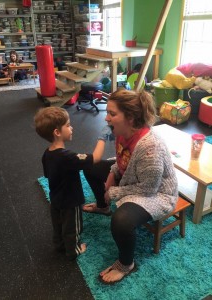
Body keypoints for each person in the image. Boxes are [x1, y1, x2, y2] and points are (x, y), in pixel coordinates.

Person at [82, 89, 178, 284]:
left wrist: (114, 191)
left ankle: (126, 264)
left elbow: (148, 188)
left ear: (131, 118)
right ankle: (103, 206)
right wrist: (111, 173)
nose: (106, 118)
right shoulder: (122, 131)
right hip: (133, 179)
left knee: (122, 220)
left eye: (112, 114)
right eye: (107, 112)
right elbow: (122, 159)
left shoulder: (151, 146)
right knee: (91, 168)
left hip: (158, 193)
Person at [34, 107, 113, 261]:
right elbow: (95, 158)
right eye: (68, 125)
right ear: (57, 132)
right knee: (73, 227)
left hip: (56, 198)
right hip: (71, 200)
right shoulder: (68, 157)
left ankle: (59, 245)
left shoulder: (47, 153)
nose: (72, 127)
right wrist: (102, 137)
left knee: (58, 224)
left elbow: (48, 175)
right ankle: (74, 249)